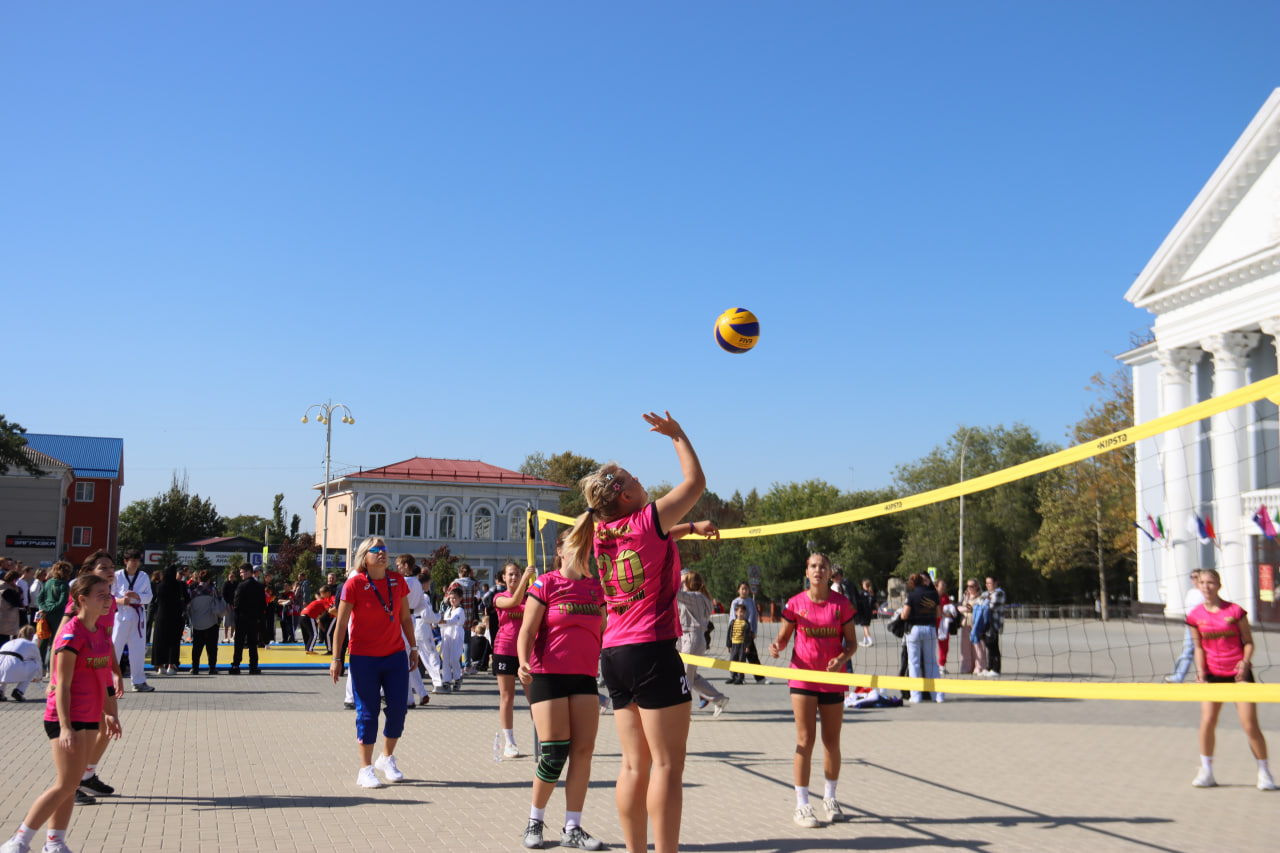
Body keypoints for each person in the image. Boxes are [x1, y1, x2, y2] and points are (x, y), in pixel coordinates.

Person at [566, 411, 707, 853]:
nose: (641, 478)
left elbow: (655, 541)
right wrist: (677, 435)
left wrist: (688, 529)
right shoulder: (647, 519)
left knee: (633, 766)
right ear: (626, 494)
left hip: (615, 654)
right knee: (666, 766)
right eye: (632, 477)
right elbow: (695, 483)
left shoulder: (600, 532)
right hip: (652, 651)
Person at [0, 574, 122, 853]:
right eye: (101, 594)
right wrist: (66, 726)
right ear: (82, 600)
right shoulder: (71, 634)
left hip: (90, 716)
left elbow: (103, 680)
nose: (108, 599)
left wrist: (110, 714)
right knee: (66, 784)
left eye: (109, 594)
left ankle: (54, 842)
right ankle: (19, 841)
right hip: (64, 716)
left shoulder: (102, 634)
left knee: (71, 783)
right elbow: (62, 684)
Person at [517, 530, 608, 851]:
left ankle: (573, 828)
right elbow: (527, 630)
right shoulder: (546, 584)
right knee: (555, 753)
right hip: (548, 675)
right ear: (560, 551)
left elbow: (605, 629)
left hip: (584, 676)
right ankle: (534, 821)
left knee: (583, 751)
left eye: (587, 547)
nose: (584, 552)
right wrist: (522, 661)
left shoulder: (596, 588)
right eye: (577, 546)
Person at [768, 552, 858, 828]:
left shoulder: (841, 604)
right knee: (805, 740)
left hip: (832, 678)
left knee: (832, 741)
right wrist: (776, 646)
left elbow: (852, 643)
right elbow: (784, 637)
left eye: (823, 567)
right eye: (814, 566)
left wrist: (841, 658)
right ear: (807, 572)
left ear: (830, 573)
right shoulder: (795, 603)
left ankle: (830, 798)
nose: (818, 570)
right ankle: (802, 804)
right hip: (803, 678)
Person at [329, 537, 419, 789]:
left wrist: (413, 648)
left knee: (398, 710)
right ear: (364, 557)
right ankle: (365, 769)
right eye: (375, 550)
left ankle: (386, 758)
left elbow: (405, 619)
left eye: (384, 549)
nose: (382, 553)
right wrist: (336, 658)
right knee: (368, 714)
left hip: (395, 656)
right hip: (364, 658)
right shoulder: (354, 583)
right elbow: (341, 625)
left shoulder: (397, 581)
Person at [1185, 568, 1276, 790]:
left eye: (1211, 583)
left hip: (1239, 674)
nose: (1206, 587)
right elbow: (1198, 647)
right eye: (1203, 583)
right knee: (1207, 721)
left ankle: (1264, 772)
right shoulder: (1195, 615)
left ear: (1219, 585)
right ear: (1198, 585)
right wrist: (1200, 670)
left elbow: (1249, 642)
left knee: (1249, 724)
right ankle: (1206, 770)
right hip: (1212, 674)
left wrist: (1244, 662)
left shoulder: (1234, 611)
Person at [495, 561, 536, 758]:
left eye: (517, 574)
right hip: (504, 650)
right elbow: (512, 602)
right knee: (507, 696)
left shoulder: (530, 599)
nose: (514, 577)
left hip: (526, 653)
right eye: (510, 574)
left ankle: (543, 738)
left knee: (534, 697)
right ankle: (509, 742)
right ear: (504, 578)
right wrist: (526, 579)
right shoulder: (499, 597)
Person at [676, 570, 729, 716]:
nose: (682, 585)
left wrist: (675, 579)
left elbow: (676, 594)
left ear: (689, 583)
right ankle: (718, 699)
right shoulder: (699, 597)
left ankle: (683, 711)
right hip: (689, 638)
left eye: (684, 582)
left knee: (686, 678)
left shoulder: (696, 597)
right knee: (691, 676)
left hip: (692, 638)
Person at [110, 551, 153, 692]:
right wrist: (120, 601)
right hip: (121, 614)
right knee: (115, 647)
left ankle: (138, 681)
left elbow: (149, 597)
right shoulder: (117, 575)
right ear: (125, 561)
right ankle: (108, 681)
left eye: (137, 560)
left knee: (138, 650)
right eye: (132, 560)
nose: (135, 563)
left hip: (137, 615)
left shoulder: (143, 576)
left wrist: (137, 596)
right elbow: (110, 595)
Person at [902, 573, 943, 703]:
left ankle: (916, 696)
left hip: (914, 629)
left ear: (914, 583)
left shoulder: (912, 595)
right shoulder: (934, 594)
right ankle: (937, 695)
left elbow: (904, 615)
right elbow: (938, 613)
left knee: (914, 663)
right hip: (930, 628)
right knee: (932, 662)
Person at [150, 564, 190, 675]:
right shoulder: (179, 585)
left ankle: (160, 666)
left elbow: (154, 600)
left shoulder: (160, 586)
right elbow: (187, 599)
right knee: (173, 641)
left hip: (161, 615)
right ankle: (171, 665)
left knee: (160, 640)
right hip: (175, 616)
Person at [1167, 570, 1204, 683]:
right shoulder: (1191, 592)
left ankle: (1181, 676)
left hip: (1202, 624)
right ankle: (1178, 676)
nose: (1193, 579)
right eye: (1191, 577)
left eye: (1196, 577)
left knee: (1199, 650)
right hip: (1191, 624)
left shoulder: (1205, 593)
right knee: (1187, 650)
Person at [36, 563, 72, 673]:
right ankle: (50, 667)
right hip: (58, 615)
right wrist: (49, 609)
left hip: (45, 615)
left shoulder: (48, 582)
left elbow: (39, 598)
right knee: (54, 642)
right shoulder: (64, 585)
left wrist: (44, 609)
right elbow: (62, 602)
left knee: (43, 640)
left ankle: (39, 667)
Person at [230, 566, 266, 675]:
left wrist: (237, 616)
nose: (240, 574)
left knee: (239, 643)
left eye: (242, 572)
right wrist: (259, 618)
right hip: (253, 619)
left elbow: (237, 603)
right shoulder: (259, 586)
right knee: (253, 643)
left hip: (242, 618)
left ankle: (236, 665)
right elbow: (263, 605)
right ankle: (253, 667)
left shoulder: (241, 586)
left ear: (249, 572)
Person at [186, 570, 223, 675]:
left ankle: (195, 668)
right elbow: (220, 601)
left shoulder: (193, 592)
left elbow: (188, 607)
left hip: (197, 623)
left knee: (197, 648)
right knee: (212, 648)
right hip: (211, 622)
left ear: (198, 579)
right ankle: (212, 668)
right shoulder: (213, 590)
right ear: (209, 580)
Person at [728, 583, 766, 683]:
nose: (744, 591)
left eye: (746, 589)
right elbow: (732, 619)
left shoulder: (751, 602)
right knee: (737, 657)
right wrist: (732, 635)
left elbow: (754, 617)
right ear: (738, 590)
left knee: (752, 655)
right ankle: (737, 677)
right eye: (742, 589)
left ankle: (760, 678)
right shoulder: (735, 602)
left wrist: (753, 631)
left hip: (748, 633)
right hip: (738, 635)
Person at [448, 564, 479, 674]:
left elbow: (448, 595)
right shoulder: (474, 584)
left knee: (456, 641)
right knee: (467, 642)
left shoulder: (455, 584)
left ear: (459, 573)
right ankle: (468, 665)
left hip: (457, 613)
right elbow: (476, 594)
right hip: (468, 614)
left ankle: (457, 666)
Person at [0, 625, 41, 702]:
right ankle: (19, 690)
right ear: (32, 636)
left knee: (6, 663)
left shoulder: (9, 642)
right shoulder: (31, 645)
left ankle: (1, 690)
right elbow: (38, 661)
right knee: (35, 664)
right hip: (12, 667)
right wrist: (38, 677)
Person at [438, 588, 466, 691]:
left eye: (455, 598)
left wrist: (442, 621)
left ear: (460, 599)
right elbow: (444, 622)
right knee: (445, 658)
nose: (452, 600)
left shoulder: (460, 610)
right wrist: (438, 622)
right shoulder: (448, 610)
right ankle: (446, 680)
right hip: (447, 634)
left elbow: (453, 620)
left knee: (454, 658)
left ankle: (457, 678)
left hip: (456, 634)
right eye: (450, 598)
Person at [977, 576, 1006, 676]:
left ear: (996, 583)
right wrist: (986, 600)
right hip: (985, 623)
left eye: (990, 583)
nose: (988, 585)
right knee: (988, 646)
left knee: (994, 645)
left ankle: (996, 668)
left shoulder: (999, 593)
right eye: (986, 583)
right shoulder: (986, 593)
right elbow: (979, 603)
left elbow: (992, 606)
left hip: (994, 623)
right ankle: (989, 667)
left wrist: (985, 601)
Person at [300, 585, 335, 655]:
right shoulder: (323, 601)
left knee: (307, 633)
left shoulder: (317, 601)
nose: (321, 595)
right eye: (321, 594)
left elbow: (321, 612)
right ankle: (309, 649)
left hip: (302, 615)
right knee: (314, 634)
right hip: (309, 616)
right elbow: (329, 610)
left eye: (322, 593)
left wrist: (319, 618)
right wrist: (338, 614)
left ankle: (307, 647)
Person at [958, 580, 982, 675]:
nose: (969, 588)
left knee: (977, 646)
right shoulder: (965, 596)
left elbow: (979, 608)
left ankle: (979, 666)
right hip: (965, 622)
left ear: (977, 586)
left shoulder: (981, 596)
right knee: (965, 647)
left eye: (972, 586)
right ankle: (966, 667)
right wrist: (964, 608)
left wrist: (970, 609)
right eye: (968, 586)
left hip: (976, 623)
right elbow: (959, 606)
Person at [726, 605, 753, 685]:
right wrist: (729, 645)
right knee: (732, 660)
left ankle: (740, 677)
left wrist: (747, 646)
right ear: (736, 612)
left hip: (742, 645)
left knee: (741, 660)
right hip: (734, 644)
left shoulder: (746, 623)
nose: (741, 614)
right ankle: (733, 676)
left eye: (743, 612)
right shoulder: (733, 622)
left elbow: (749, 636)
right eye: (740, 612)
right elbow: (729, 634)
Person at [936, 579, 956, 675]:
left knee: (944, 646)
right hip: (933, 623)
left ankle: (942, 665)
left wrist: (949, 613)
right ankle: (929, 666)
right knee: (929, 645)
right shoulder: (932, 596)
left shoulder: (945, 597)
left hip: (944, 624)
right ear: (936, 586)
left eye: (945, 585)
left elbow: (950, 610)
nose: (944, 587)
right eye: (942, 585)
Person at [854, 579, 876, 646]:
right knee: (866, 626)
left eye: (863, 584)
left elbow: (858, 601)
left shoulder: (862, 593)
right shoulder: (871, 593)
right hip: (869, 612)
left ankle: (870, 641)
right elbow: (875, 603)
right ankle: (865, 640)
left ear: (865, 585)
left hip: (863, 612)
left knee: (865, 627)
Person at [221, 568, 240, 643]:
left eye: (233, 576)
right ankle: (225, 637)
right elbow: (224, 595)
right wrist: (229, 603)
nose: (232, 578)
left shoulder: (236, 584)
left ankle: (232, 636)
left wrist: (234, 603)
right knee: (226, 621)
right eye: (230, 576)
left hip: (234, 604)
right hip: (227, 604)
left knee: (233, 621)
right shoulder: (225, 584)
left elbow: (237, 594)